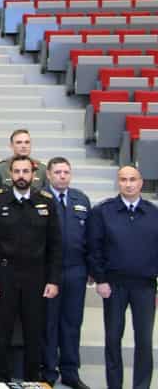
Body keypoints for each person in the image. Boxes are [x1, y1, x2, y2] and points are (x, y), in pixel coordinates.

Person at [0, 156, 62, 382]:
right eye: (17, 171)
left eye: (26, 171)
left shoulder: (46, 201)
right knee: (2, 333)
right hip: (5, 274)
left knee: (34, 333)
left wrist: (53, 280)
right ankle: (0, 382)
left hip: (36, 276)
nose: (21, 176)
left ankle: (32, 381)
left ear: (33, 175)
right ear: (10, 174)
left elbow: (55, 246)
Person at [88, 164, 158, 389]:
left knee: (144, 341)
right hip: (113, 285)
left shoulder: (154, 213)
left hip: (145, 286)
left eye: (133, 179)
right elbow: (94, 247)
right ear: (117, 182)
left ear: (141, 183)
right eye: (123, 179)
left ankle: (141, 386)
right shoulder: (103, 211)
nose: (128, 184)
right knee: (112, 339)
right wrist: (100, 279)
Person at [41, 157, 92, 389]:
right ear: (48, 174)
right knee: (49, 323)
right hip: (47, 273)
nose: (62, 176)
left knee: (72, 323)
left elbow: (90, 237)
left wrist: (91, 269)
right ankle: (48, 371)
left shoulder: (81, 199)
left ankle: (70, 371)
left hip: (76, 270)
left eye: (66, 172)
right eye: (58, 172)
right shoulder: (39, 199)